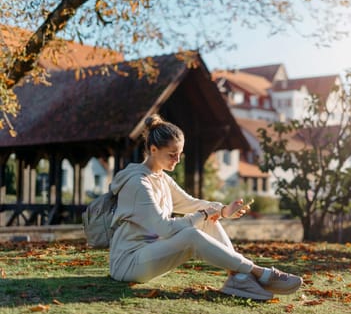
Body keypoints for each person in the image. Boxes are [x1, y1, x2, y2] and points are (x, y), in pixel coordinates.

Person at [108, 114, 302, 300]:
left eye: (180, 154)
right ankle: (257, 272)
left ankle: (239, 278)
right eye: (172, 155)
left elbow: (190, 203)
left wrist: (223, 210)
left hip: (150, 254)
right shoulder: (138, 183)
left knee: (207, 219)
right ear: (153, 150)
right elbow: (163, 227)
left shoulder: (161, 178)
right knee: (193, 233)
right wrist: (203, 214)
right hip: (128, 263)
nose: (177, 160)